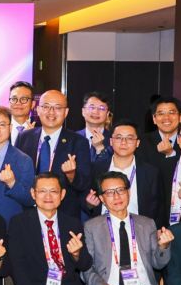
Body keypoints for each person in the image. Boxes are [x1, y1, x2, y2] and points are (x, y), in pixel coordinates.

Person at [14, 90, 92, 222]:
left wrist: (71, 175)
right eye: (46, 107)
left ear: (66, 112)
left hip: (64, 215)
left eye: (57, 108)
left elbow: (85, 183)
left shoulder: (79, 142)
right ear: (38, 110)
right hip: (28, 213)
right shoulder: (24, 138)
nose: (51, 112)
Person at [84, 120, 160, 222]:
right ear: (111, 141)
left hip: (139, 227)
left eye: (129, 138)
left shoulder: (151, 172)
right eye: (119, 137)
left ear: (137, 143)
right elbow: (87, 203)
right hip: (103, 226)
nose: (123, 142)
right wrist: (90, 205)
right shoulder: (96, 169)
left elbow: (157, 207)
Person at [139, 96, 181, 168]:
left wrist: (171, 154)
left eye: (171, 113)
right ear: (154, 119)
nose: (166, 117)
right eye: (161, 113)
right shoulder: (141, 142)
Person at [77, 92, 112, 164]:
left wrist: (100, 149)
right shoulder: (73, 138)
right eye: (91, 107)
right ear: (83, 111)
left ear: (107, 114)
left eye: (101, 108)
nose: (96, 112)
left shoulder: (114, 139)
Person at [8, 81, 36, 145]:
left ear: (33, 104)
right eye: (14, 99)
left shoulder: (40, 129)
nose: (18, 103)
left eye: (23, 99)